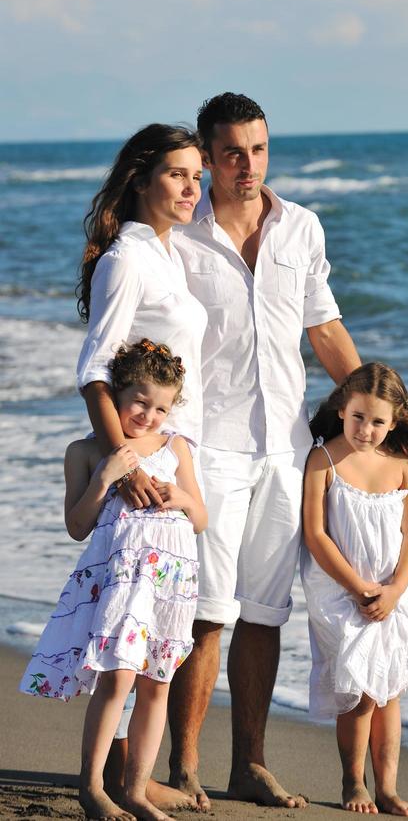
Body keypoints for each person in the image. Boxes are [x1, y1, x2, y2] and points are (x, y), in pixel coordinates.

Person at [168, 92, 361, 810]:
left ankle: (248, 763)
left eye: (258, 149)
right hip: (204, 447)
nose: (247, 165)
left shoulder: (300, 227)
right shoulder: (177, 232)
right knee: (205, 613)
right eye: (231, 153)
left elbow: (325, 328)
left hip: (285, 449)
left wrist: (384, 406)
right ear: (207, 154)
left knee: (263, 614)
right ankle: (183, 766)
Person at [75, 123, 208, 813]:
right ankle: (97, 784)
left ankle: (132, 782)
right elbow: (95, 370)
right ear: (141, 180)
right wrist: (123, 465)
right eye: (179, 175)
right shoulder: (126, 257)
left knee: (157, 650)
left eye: (197, 176)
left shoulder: (168, 250)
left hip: (169, 463)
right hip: (140, 476)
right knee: (125, 653)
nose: (192, 187)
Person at [20, 339, 208, 821]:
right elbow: (77, 525)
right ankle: (92, 785)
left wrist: (181, 497)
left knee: (156, 683)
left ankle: (137, 790)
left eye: (161, 407)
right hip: (123, 581)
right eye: (139, 402)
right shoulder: (83, 452)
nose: (148, 415)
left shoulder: (176, 447)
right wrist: (105, 477)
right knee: (118, 676)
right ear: (116, 396)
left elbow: (202, 517)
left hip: (170, 585)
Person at [301, 363, 408, 817]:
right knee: (360, 693)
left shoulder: (403, 466)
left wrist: (394, 590)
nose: (367, 429)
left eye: (378, 421)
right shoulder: (325, 459)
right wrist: (359, 588)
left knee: (389, 690)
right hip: (340, 591)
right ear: (342, 410)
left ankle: (389, 789)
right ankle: (352, 782)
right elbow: (316, 535)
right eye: (359, 417)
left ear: (394, 422)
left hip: (391, 594)